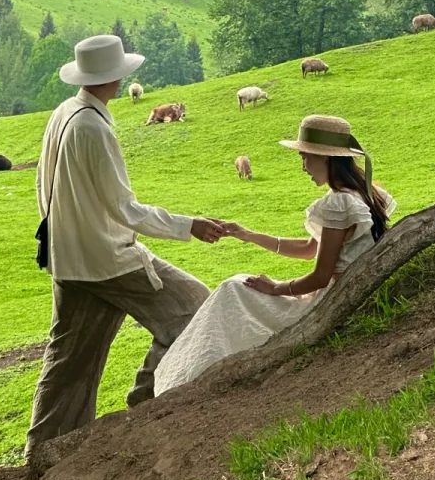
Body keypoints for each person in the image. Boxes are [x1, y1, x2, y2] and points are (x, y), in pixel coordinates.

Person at [26, 34, 225, 461]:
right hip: (107, 259)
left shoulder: (63, 113)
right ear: (115, 78)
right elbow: (125, 209)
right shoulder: (91, 127)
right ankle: (143, 408)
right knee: (193, 306)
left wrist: (59, 237)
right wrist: (189, 226)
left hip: (68, 258)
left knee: (68, 361)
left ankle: (45, 453)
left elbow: (43, 185)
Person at [152, 113, 395, 396]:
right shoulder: (367, 193)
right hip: (342, 292)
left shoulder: (338, 204)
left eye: (305, 157)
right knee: (236, 289)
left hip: (328, 302)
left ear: (325, 158)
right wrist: (248, 234)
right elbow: (310, 248)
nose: (303, 166)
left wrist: (277, 288)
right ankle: (191, 378)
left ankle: (185, 382)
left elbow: (320, 276)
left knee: (233, 290)